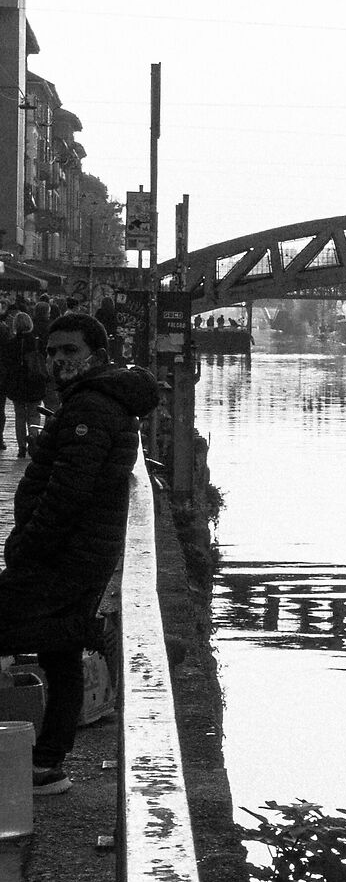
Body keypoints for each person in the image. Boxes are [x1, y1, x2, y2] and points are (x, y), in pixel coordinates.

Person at [0, 312, 160, 795]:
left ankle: (44, 761)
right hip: (84, 556)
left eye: (69, 351)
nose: (58, 360)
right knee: (61, 655)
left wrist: (24, 547)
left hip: (62, 559)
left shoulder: (90, 407)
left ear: (98, 356)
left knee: (49, 640)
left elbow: (66, 493)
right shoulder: (99, 402)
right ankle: (47, 767)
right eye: (52, 352)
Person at [0, 312, 40, 453]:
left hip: (17, 383)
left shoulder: (11, 343)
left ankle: (21, 446)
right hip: (34, 381)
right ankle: (34, 440)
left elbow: (7, 363)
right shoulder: (35, 342)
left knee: (20, 415)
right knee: (34, 413)